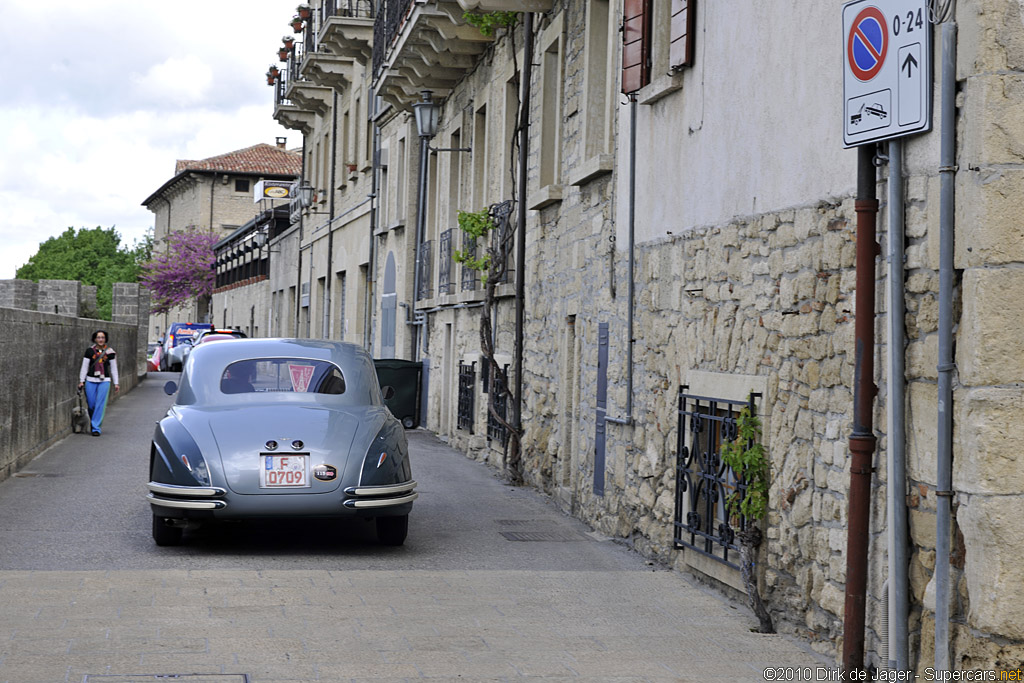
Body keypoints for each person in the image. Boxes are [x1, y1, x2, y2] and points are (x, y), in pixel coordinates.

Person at [78, 330, 120, 436]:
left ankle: (96, 428)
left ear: (105, 339)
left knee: (100, 405)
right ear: (95, 339)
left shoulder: (110, 352)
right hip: (90, 380)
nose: (100, 339)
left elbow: (114, 369)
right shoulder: (89, 351)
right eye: (98, 337)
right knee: (91, 404)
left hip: (104, 381)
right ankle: (94, 422)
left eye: (102, 337)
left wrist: (116, 383)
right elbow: (84, 367)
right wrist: (81, 381)